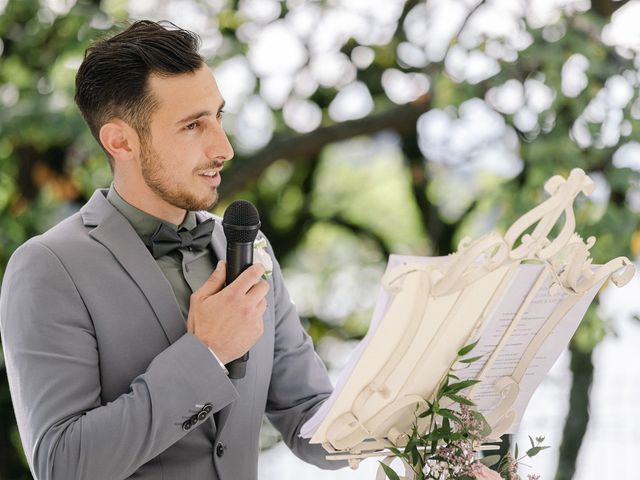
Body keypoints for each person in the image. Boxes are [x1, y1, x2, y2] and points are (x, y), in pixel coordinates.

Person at [0, 20, 345, 480]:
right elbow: (64, 465)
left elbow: (309, 416)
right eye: (192, 125)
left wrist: (410, 413)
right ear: (121, 141)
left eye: (218, 117)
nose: (223, 148)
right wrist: (206, 353)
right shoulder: (47, 267)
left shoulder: (248, 246)